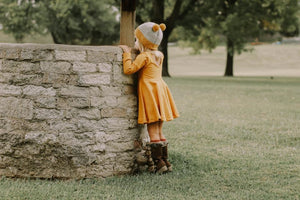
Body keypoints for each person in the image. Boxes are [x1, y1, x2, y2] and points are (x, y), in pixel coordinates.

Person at [119, 22, 179, 174]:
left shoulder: (144, 57)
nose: (134, 43)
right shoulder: (159, 55)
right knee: (159, 129)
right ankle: (166, 161)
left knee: (152, 130)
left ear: (143, 42)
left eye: (136, 40)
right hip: (160, 92)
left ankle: (158, 163)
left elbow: (129, 69)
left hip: (151, 94)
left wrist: (126, 53)